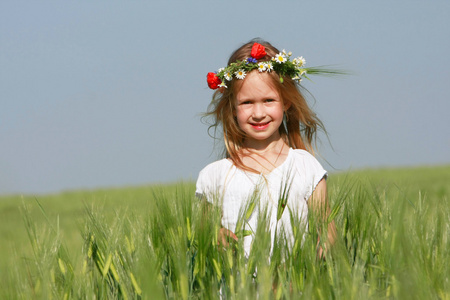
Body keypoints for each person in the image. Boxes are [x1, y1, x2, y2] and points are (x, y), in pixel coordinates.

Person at [196, 39, 337, 257]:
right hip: (238, 290)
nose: (259, 113)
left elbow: (328, 235)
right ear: (233, 107)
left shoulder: (306, 166)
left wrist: (306, 274)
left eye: (269, 100)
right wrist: (216, 236)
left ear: (286, 102)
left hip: (294, 289)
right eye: (247, 103)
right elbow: (203, 235)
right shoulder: (215, 176)